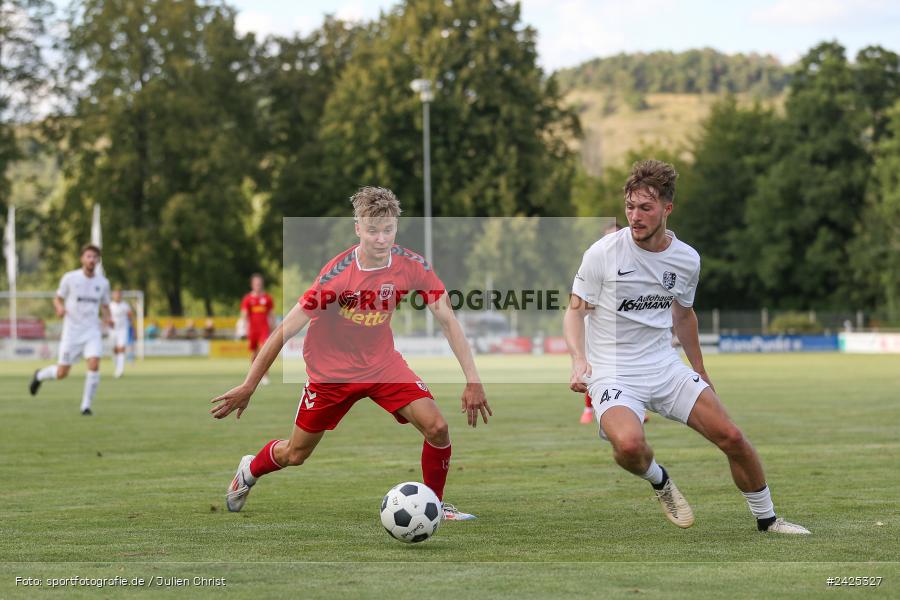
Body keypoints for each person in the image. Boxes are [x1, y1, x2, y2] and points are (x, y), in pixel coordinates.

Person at [211, 186, 491, 521]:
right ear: (358, 228)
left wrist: (472, 379)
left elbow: (448, 319)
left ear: (396, 227)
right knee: (295, 453)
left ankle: (433, 505)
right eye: (372, 231)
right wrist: (249, 385)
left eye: (387, 230)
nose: (380, 239)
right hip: (331, 374)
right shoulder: (337, 276)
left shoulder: (412, 266)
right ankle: (250, 469)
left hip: (382, 366)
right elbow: (284, 331)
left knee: (438, 427)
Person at [563, 160, 809, 534]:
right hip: (612, 371)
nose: (635, 216)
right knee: (629, 446)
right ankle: (659, 479)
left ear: (667, 208)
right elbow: (574, 312)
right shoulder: (603, 253)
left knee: (733, 437)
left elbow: (684, 316)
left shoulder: (686, 258)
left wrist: (700, 369)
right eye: (630, 207)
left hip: (664, 366)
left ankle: (769, 519)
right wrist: (579, 359)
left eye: (645, 208)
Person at [29, 244, 112, 416]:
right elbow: (58, 299)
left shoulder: (103, 283)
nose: (91, 260)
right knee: (62, 373)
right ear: (82, 258)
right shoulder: (70, 278)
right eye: (88, 256)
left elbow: (105, 305)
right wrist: (59, 308)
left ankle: (86, 406)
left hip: (91, 331)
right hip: (72, 332)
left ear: (98, 260)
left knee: (94, 363)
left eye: (95, 257)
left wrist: (108, 318)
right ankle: (40, 376)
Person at [239, 274, 275, 385]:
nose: (258, 286)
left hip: (264, 330)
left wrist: (274, 328)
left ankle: (265, 376)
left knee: (264, 353)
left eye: (259, 283)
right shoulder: (248, 299)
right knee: (254, 354)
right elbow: (244, 315)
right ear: (252, 285)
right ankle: (253, 378)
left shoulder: (267, 298)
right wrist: (242, 327)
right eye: (256, 284)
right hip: (253, 330)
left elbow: (271, 315)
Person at [108, 288, 134, 378]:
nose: (117, 296)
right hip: (112, 330)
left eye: (119, 294)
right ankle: (117, 367)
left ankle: (120, 370)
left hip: (123, 329)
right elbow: (107, 316)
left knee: (121, 348)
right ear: (113, 296)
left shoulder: (125, 305)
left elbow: (130, 316)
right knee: (114, 349)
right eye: (116, 294)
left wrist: (132, 327)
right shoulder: (110, 305)